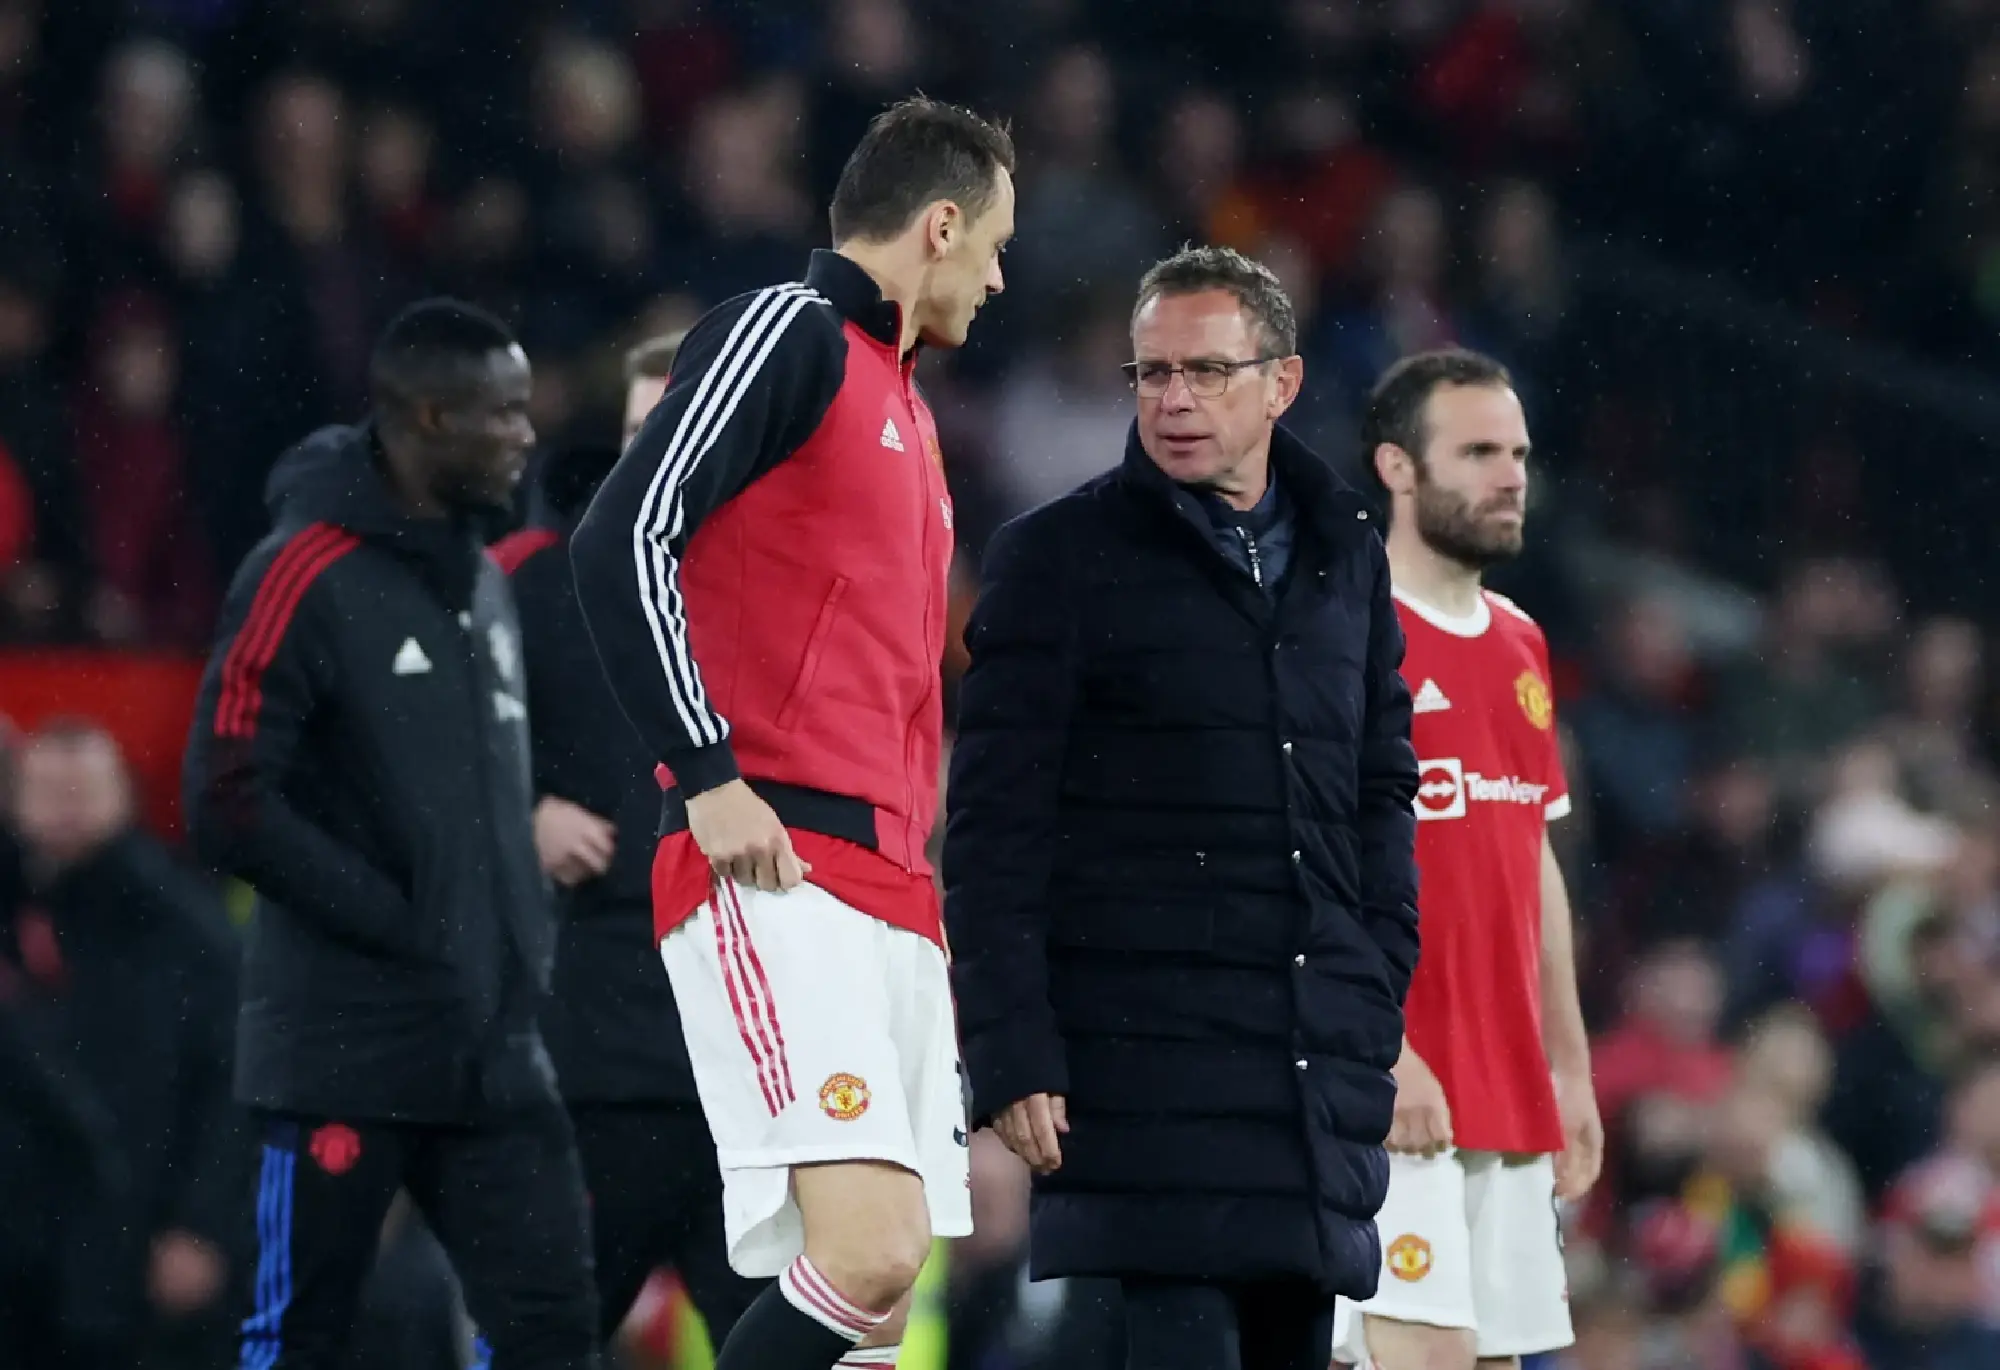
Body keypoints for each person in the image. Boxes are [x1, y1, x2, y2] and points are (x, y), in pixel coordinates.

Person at [570, 96, 1015, 1370]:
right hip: (781, 862)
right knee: (868, 1252)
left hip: (888, 885)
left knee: (871, 1315)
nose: (995, 277)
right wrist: (704, 769)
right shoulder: (791, 329)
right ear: (938, 224)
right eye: (990, 243)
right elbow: (624, 532)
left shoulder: (910, 412)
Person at [945, 244, 1421, 1370]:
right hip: (1138, 1055)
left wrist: (1378, 959)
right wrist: (1009, 1046)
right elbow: (991, 828)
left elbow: (1380, 779)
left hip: (1306, 1055)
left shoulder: (1346, 555)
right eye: (1151, 373)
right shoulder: (1056, 557)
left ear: (1281, 383)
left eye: (1205, 371)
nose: (1173, 399)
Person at [183, 299, 601, 1369]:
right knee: (302, 1338)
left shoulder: (484, 580)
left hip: (495, 1049)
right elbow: (224, 798)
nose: (523, 433)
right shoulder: (298, 573)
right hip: (345, 1051)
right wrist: (401, 920)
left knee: (553, 1333)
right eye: (499, 414)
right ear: (426, 417)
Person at [1330, 348, 1602, 1370]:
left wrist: (1567, 1068)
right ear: (1397, 468)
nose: (1509, 475)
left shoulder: (1522, 642)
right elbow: (1309, 859)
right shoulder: (1344, 630)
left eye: (1518, 452)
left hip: (1504, 1089)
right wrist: (1384, 1048)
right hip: (1392, 1084)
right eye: (1478, 450)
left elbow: (1532, 860)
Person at [493, 334, 764, 1348]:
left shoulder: (778, 591)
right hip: (602, 1054)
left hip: (753, 1063)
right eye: (634, 433)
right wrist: (520, 814)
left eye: (675, 431)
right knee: (550, 1334)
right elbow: (430, 761)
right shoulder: (538, 591)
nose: (652, 456)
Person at [3, 720, 242, 1370]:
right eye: (47, 791)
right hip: (27, 1246)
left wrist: (203, 1225)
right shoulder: (21, 908)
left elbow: (231, 1087)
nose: (64, 809)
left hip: (136, 1241)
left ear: (125, 799)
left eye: (82, 790)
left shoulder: (184, 928)